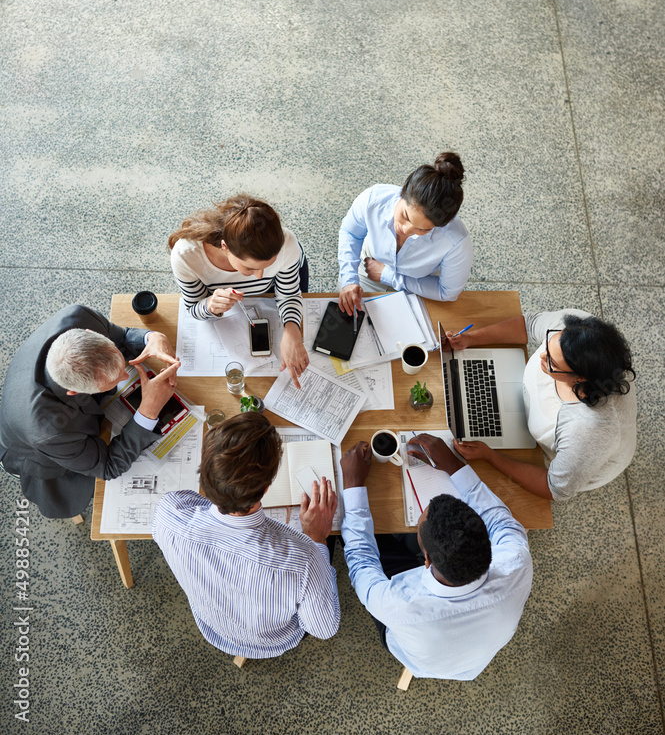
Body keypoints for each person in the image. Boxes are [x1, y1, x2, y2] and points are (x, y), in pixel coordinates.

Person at [340, 435, 532, 680]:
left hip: (416, 653)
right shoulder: (517, 561)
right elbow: (499, 518)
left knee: (373, 541)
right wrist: (453, 464)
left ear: (426, 559)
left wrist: (353, 484)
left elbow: (360, 560)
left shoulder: (398, 605)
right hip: (472, 660)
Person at [152, 412, 340, 658]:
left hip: (212, 625)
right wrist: (316, 539)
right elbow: (324, 629)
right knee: (333, 539)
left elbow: (196, 504)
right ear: (266, 489)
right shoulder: (306, 559)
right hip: (272, 642)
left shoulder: (169, 513)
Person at [0, 304, 180, 519]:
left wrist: (152, 338)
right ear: (74, 392)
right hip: (34, 453)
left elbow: (120, 336)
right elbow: (108, 467)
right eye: (114, 380)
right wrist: (148, 411)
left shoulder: (79, 316)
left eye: (121, 365)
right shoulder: (49, 432)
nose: (126, 376)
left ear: (89, 332)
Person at [445, 310, 637, 501]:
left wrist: (490, 456)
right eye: (548, 345)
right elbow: (528, 325)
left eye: (551, 362)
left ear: (580, 378)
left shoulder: (590, 432)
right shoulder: (579, 331)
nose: (541, 356)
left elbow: (555, 488)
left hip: (577, 459)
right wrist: (470, 339)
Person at [168, 194, 309, 387]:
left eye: (269, 265)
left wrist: (293, 329)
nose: (260, 276)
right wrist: (209, 305)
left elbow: (289, 294)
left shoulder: (288, 244)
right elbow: (193, 308)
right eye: (250, 268)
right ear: (225, 247)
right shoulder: (186, 256)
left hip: (271, 299)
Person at [338, 151, 473, 316]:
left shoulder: (456, 241)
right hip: (367, 269)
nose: (407, 230)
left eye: (423, 229)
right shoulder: (373, 199)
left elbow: (447, 292)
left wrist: (389, 275)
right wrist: (349, 280)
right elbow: (350, 233)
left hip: (418, 286)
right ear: (403, 193)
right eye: (405, 216)